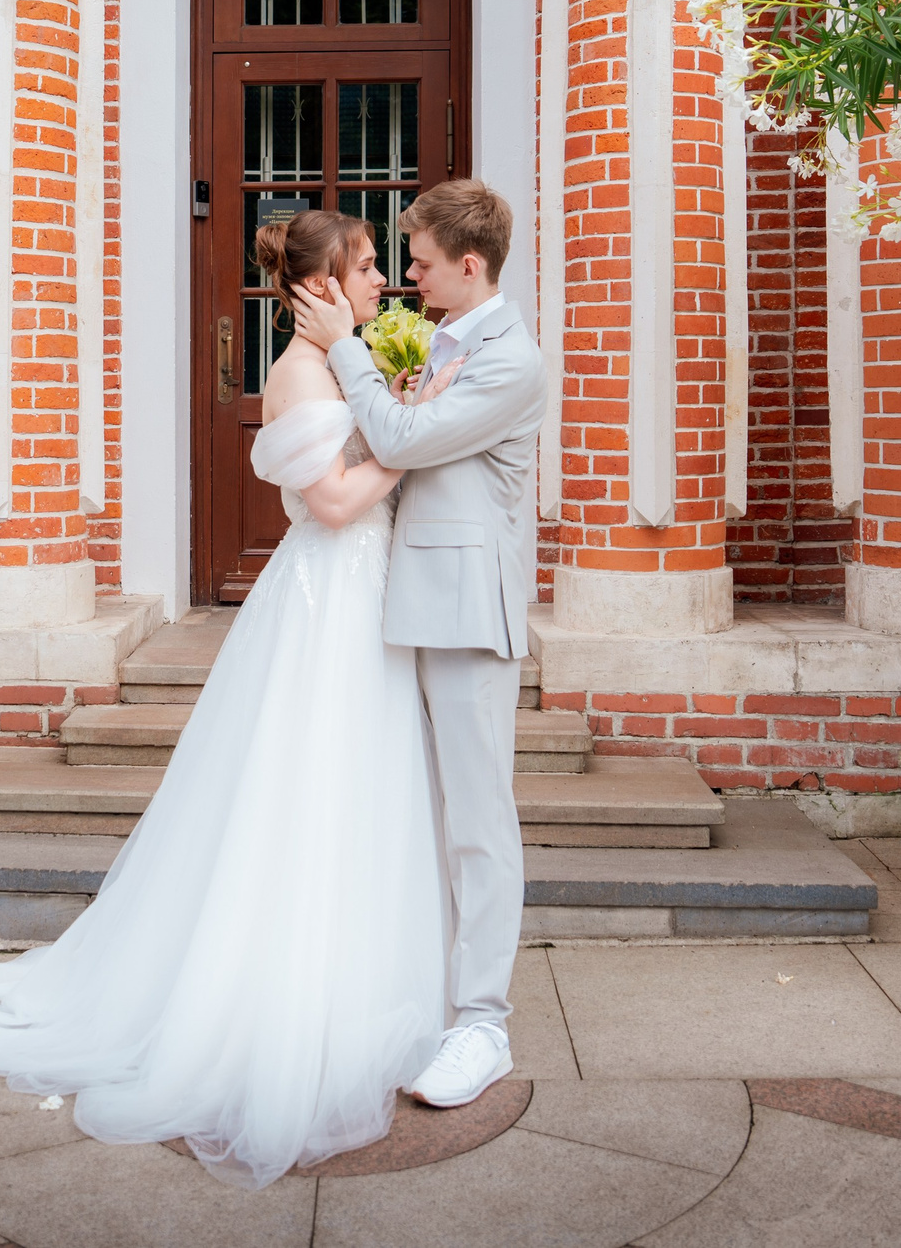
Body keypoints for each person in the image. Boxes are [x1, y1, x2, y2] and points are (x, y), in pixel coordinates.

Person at [0, 208, 454, 1190]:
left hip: (365, 595)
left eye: (383, 264)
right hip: (325, 605)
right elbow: (334, 503)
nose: (383, 279)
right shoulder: (297, 377)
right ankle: (275, 1005)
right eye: (368, 265)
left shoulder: (346, 365)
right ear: (321, 284)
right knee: (306, 788)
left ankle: (352, 986)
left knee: (359, 794)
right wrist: (418, 436)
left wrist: (404, 407)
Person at [287, 177, 546, 1112]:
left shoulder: (511, 362)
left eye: (423, 262)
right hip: (401, 602)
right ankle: (426, 990)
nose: (408, 275)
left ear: (469, 266)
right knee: (419, 815)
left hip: (468, 612)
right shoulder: (443, 340)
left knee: (478, 821)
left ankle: (483, 1024)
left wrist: (342, 348)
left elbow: (401, 433)